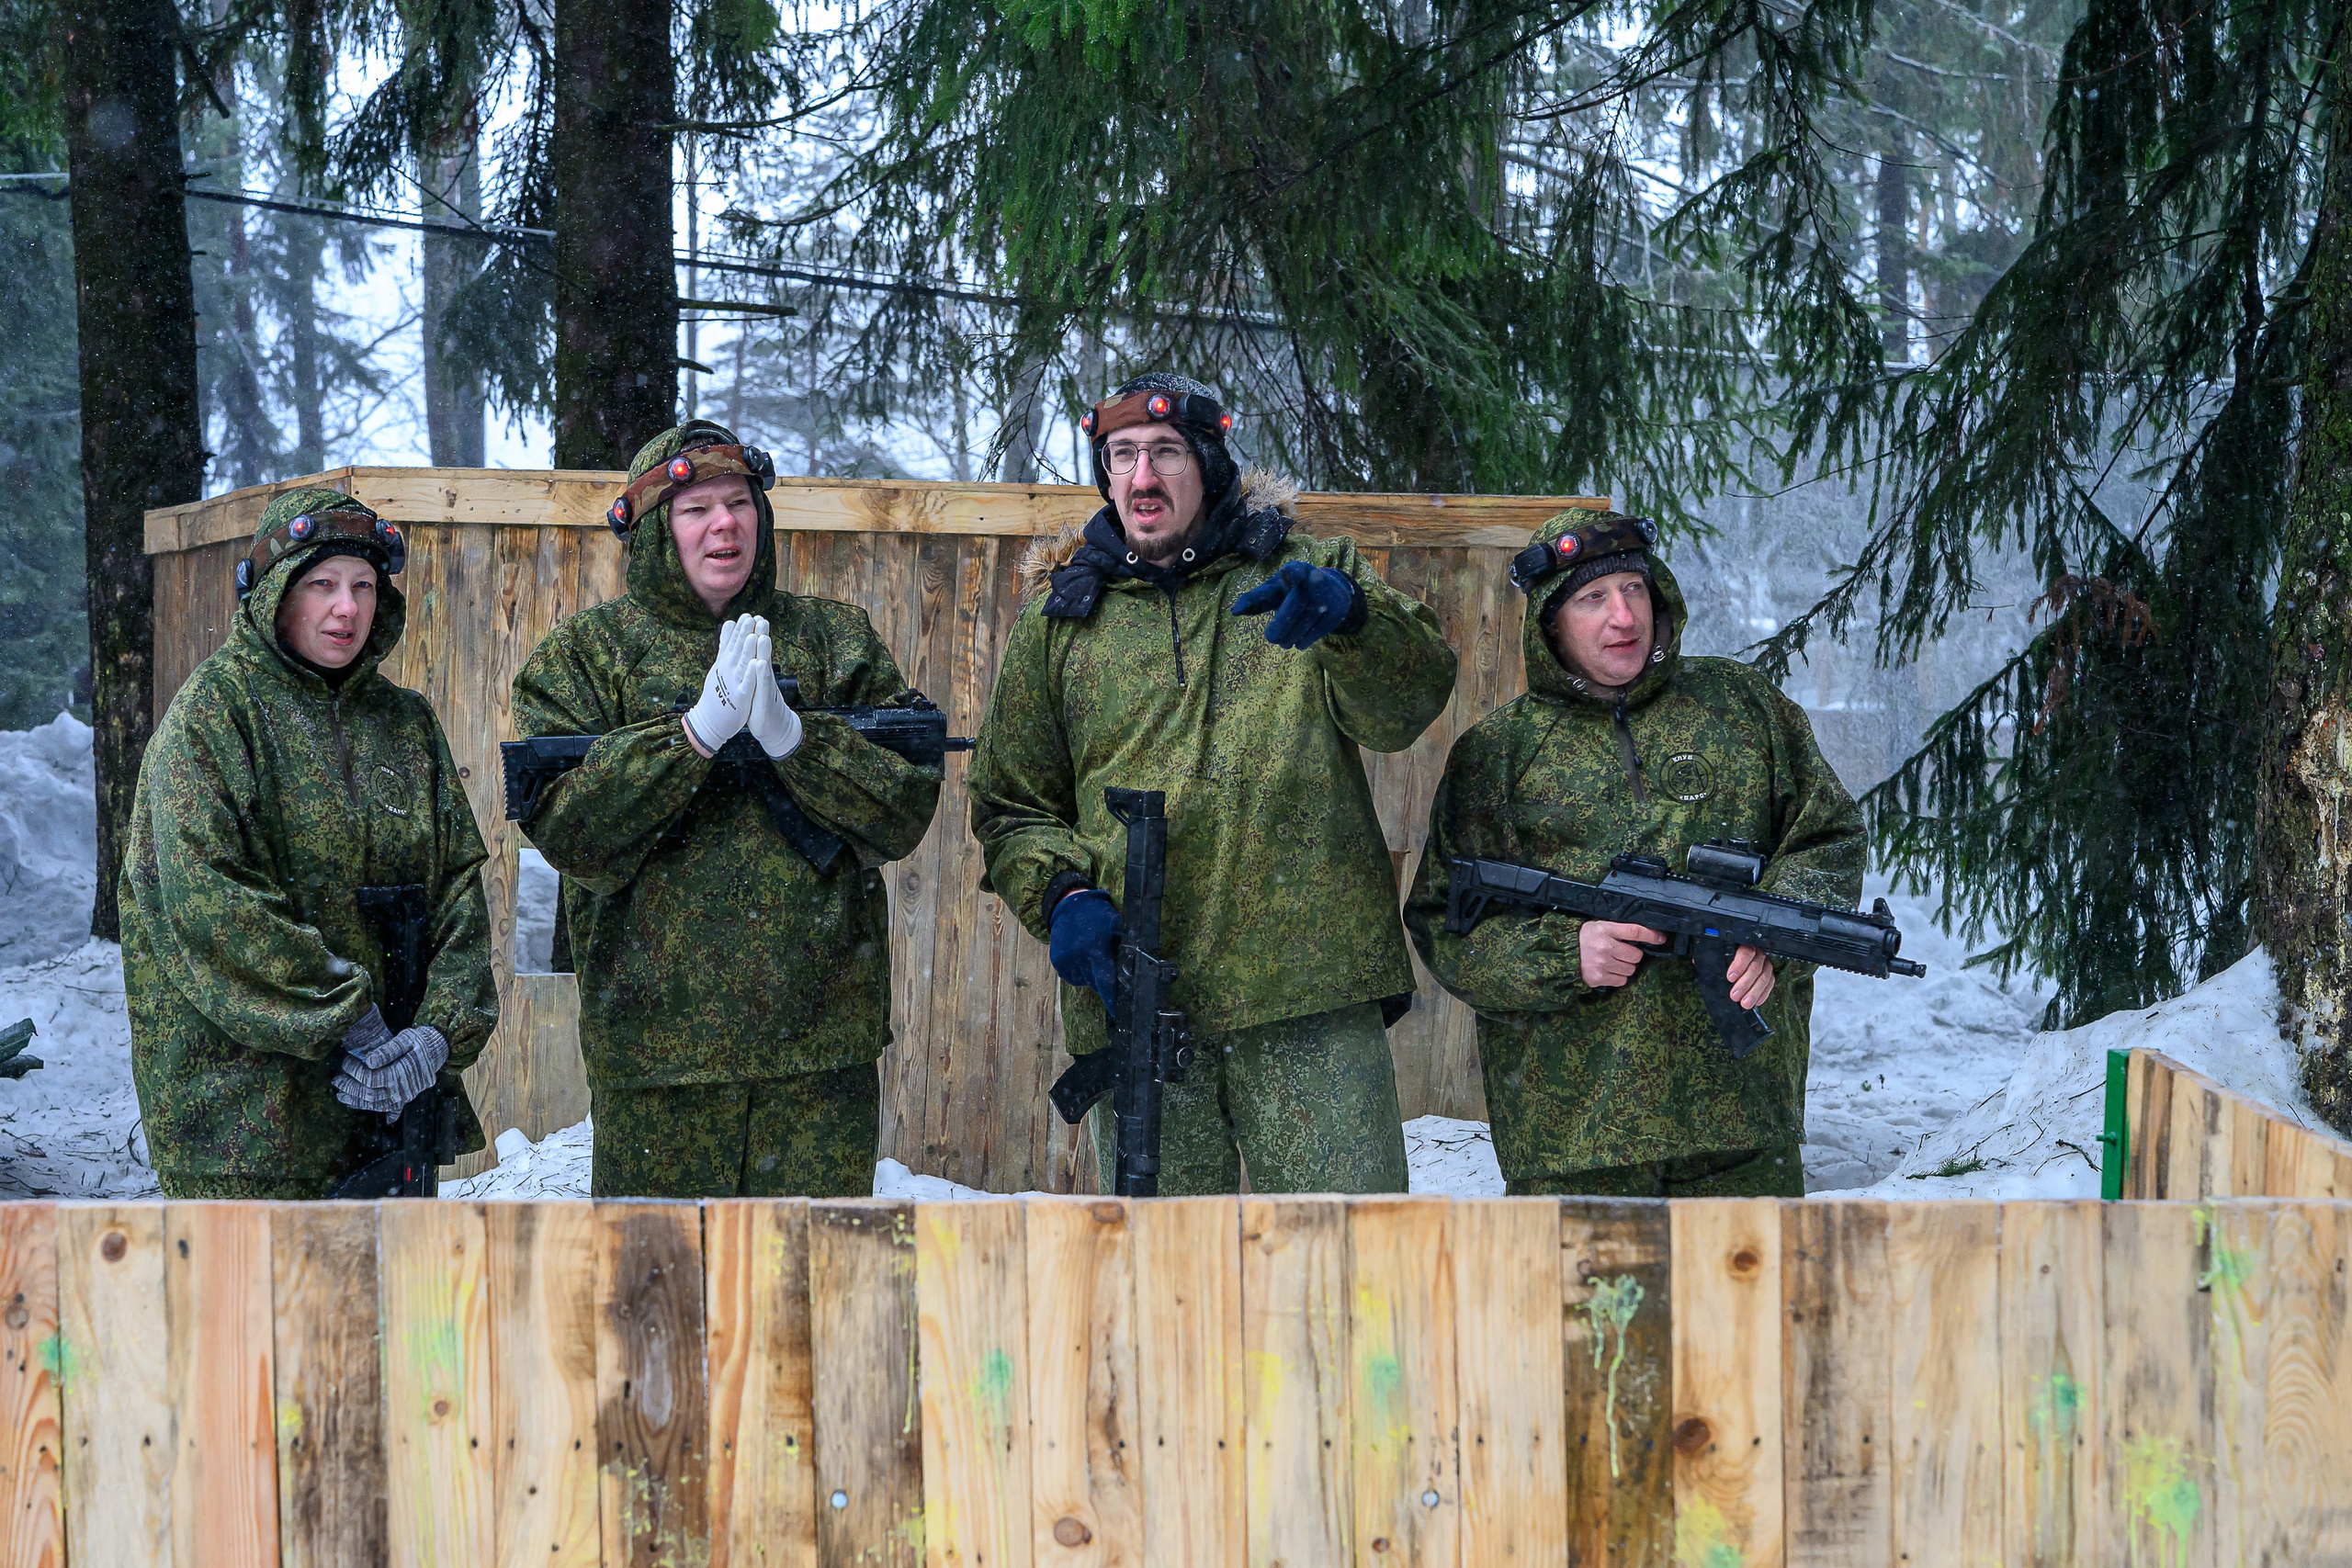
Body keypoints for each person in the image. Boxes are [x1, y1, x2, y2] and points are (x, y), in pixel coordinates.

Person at [968, 373, 1457, 1195]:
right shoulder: (1060, 622)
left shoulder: (1306, 575)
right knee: (1163, 1265)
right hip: (1138, 1004)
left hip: (1309, 995)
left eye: (1166, 452)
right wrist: (1062, 895)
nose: (1143, 476)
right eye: (1122, 455)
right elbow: (1010, 803)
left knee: (1341, 1255)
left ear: (1210, 464)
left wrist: (1355, 619)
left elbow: (1404, 708)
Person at [511, 421, 943, 1198]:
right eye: (696, 509)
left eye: (739, 503)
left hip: (818, 1055)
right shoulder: (587, 656)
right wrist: (692, 736)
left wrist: (795, 740)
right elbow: (571, 831)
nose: (725, 526)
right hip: (655, 1059)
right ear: (653, 530)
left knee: (813, 1268)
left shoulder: (834, 639)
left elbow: (902, 810)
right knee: (663, 1271)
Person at [1404, 510, 1865, 1196]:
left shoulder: (1740, 707)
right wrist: (1567, 954)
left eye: (1633, 589)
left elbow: (1829, 835)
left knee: (1755, 1275)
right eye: (1593, 598)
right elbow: (1444, 923)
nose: (1623, 616)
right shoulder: (1498, 756)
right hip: (1571, 1143)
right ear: (1551, 623)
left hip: (1743, 1131)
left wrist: (1774, 935)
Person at [122, 487, 497, 1199]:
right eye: (322, 584)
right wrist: (348, 1016)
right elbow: (211, 904)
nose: (347, 608)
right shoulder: (214, 714)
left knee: (395, 1279)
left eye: (363, 585)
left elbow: (458, 895)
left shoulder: (406, 723)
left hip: (391, 1120)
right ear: (273, 593)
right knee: (253, 1282)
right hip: (247, 1132)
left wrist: (435, 1036)